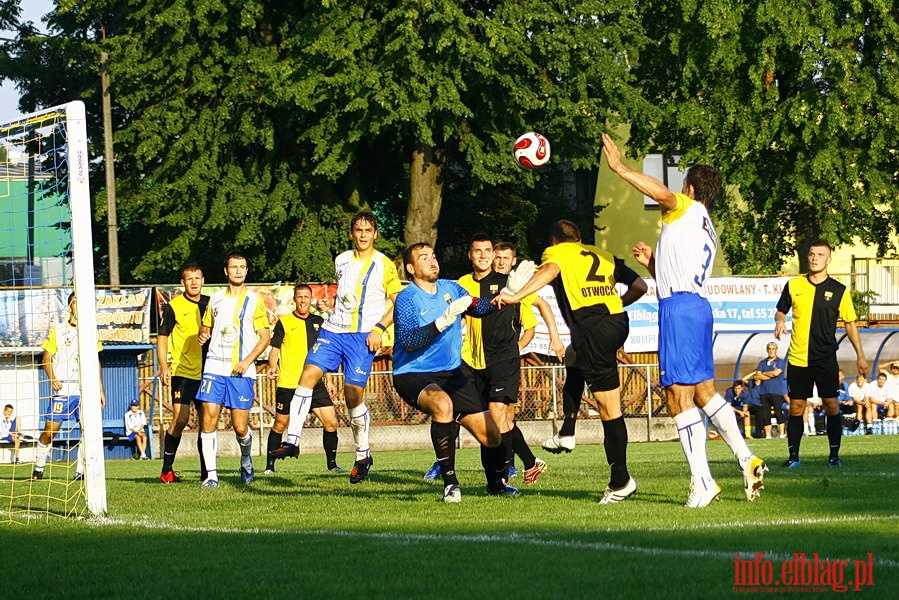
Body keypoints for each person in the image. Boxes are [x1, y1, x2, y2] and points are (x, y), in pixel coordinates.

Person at [601, 134, 767, 507]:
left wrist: (620, 168)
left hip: (679, 309)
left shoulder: (685, 207)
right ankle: (746, 458)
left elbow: (662, 194)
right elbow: (679, 271)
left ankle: (703, 481)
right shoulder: (703, 222)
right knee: (705, 392)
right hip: (697, 307)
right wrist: (653, 264)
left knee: (678, 396)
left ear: (690, 188)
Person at [496, 219, 647, 504]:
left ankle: (620, 481)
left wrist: (516, 295)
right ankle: (567, 432)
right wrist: (615, 306)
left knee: (609, 408)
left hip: (594, 329)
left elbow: (551, 269)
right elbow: (639, 286)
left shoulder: (557, 253)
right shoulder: (601, 254)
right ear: (578, 239)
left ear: (555, 241)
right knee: (573, 355)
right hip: (616, 323)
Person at [270, 210, 402, 484]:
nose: (363, 235)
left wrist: (379, 328)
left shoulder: (385, 264)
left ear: (375, 234)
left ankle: (363, 454)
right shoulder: (341, 260)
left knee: (352, 396)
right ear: (352, 233)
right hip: (334, 329)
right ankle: (293, 440)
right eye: (358, 230)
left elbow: (397, 301)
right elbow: (348, 295)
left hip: (363, 335)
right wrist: (332, 306)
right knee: (306, 376)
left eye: (368, 230)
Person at [393, 242, 520, 501]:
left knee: (492, 435)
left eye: (434, 256)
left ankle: (496, 484)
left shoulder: (451, 288)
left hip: (451, 373)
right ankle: (450, 484)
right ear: (410, 268)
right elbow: (408, 341)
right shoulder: (407, 298)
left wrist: (505, 296)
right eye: (424, 257)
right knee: (442, 405)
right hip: (413, 372)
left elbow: (478, 308)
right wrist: (440, 323)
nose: (432, 261)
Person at [774, 240, 868, 467]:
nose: (815, 258)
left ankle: (834, 456)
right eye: (812, 254)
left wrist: (861, 355)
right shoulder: (794, 285)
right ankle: (793, 458)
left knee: (831, 405)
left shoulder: (839, 290)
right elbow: (780, 310)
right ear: (808, 257)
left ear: (828, 259)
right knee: (796, 407)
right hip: (798, 357)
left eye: (820, 255)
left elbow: (850, 323)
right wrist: (779, 321)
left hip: (825, 358)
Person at [195, 251, 271, 488]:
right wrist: (202, 335)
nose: (238, 270)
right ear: (226, 271)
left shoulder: (255, 300)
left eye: (242, 267)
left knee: (240, 427)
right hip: (214, 367)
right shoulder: (215, 299)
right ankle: (211, 476)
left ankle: (246, 458)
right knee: (208, 419)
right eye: (234, 267)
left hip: (240, 371)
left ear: (246, 271)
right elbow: (206, 328)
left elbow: (265, 337)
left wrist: (247, 361)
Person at [266, 283, 344, 474]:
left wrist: (329, 379)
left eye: (306, 297)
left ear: (311, 299)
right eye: (299, 297)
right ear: (294, 299)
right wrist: (272, 366)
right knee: (280, 424)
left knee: (331, 422)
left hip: (315, 384)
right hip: (289, 383)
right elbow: (275, 349)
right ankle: (269, 466)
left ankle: (332, 465)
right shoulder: (284, 322)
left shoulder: (319, 322)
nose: (302, 300)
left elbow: (324, 353)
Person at [33, 292, 106, 481]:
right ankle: (38, 469)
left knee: (87, 432)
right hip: (63, 390)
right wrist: (52, 378)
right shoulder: (58, 330)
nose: (80, 306)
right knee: (49, 432)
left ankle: (81, 472)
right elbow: (46, 359)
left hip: (85, 389)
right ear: (70, 306)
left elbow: (96, 360)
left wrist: (100, 388)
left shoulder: (91, 331)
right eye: (76, 302)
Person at [156, 263, 209, 483]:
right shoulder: (173, 307)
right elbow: (162, 337)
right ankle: (167, 469)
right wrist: (163, 365)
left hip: (209, 371)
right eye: (190, 279)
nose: (194, 282)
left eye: (197, 278)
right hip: (182, 371)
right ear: (183, 282)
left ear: (203, 280)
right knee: (181, 419)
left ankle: (207, 472)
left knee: (207, 420)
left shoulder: (211, 304)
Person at [747, 343, 788, 439]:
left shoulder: (780, 362)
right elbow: (757, 376)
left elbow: (776, 373)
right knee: (765, 414)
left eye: (773, 349)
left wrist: (764, 374)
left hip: (776, 391)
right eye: (769, 349)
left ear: (776, 350)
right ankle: (768, 435)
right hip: (764, 392)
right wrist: (770, 374)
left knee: (778, 413)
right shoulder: (762, 363)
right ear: (767, 350)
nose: (771, 350)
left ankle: (782, 434)